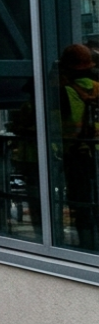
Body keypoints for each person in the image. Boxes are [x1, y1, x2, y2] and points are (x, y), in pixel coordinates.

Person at [59, 43, 99, 250]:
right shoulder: (96, 87)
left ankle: (88, 245)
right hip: (93, 151)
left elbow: (66, 124)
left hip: (78, 154)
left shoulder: (65, 91)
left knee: (81, 202)